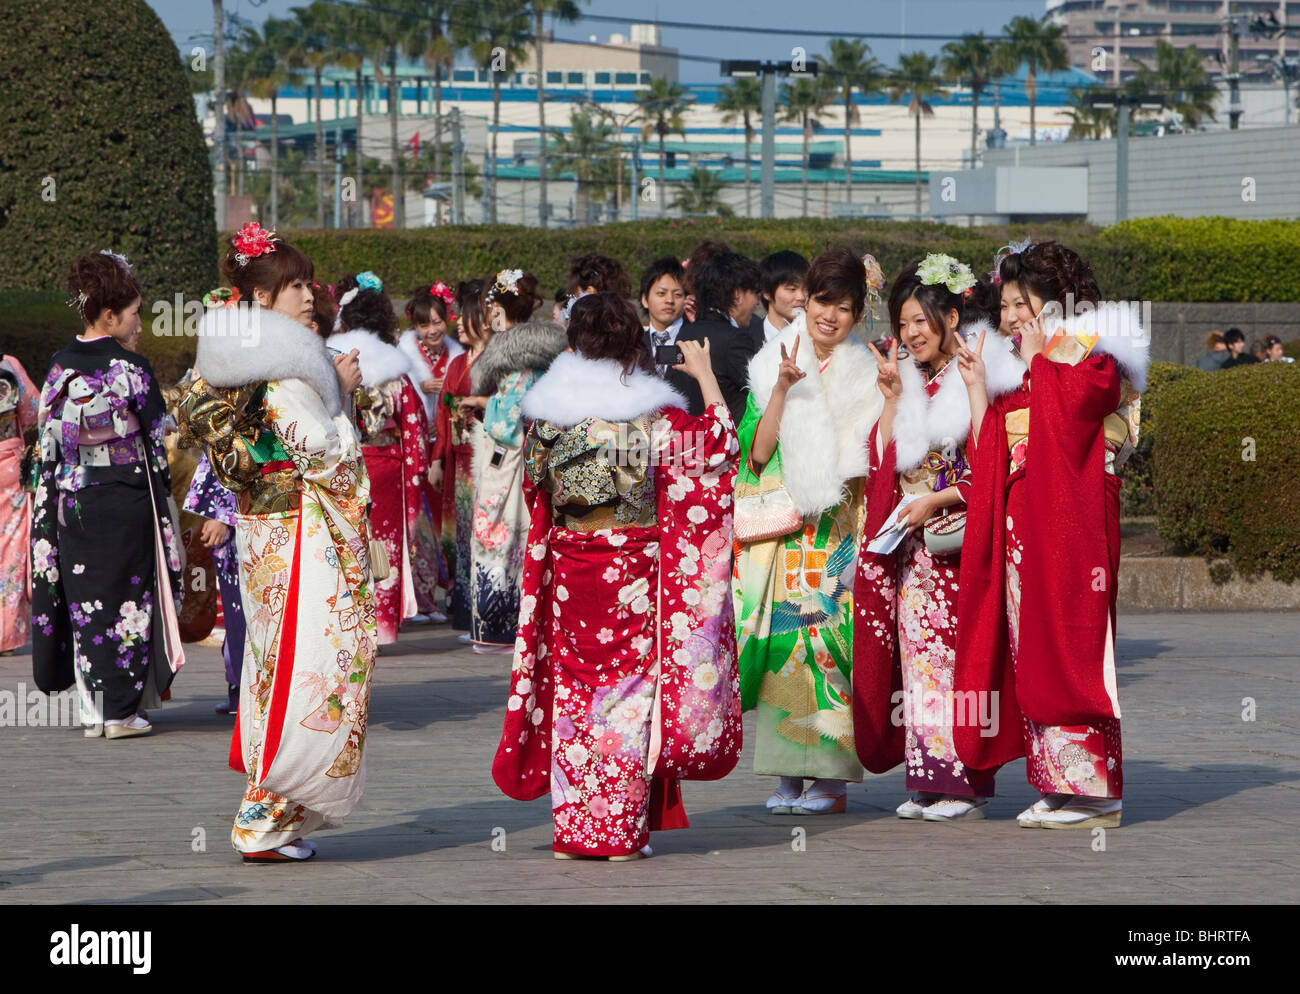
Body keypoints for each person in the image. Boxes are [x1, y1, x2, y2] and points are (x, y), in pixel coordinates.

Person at [492, 293, 741, 859]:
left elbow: (536, 487)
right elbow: (722, 448)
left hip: (569, 568)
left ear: (573, 344)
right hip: (631, 568)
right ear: (634, 344)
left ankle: (574, 832)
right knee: (624, 696)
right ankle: (615, 833)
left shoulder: (549, 411)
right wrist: (704, 376)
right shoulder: (650, 414)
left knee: (575, 694)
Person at [177, 222, 375, 862]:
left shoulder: (224, 367)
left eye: (307, 284)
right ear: (260, 298)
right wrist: (341, 400)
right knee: (307, 664)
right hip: (300, 526)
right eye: (293, 286)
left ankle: (271, 809)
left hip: (261, 528)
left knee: (274, 665)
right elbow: (318, 450)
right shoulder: (284, 369)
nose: (308, 295)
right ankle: (265, 817)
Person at [954, 240, 1148, 830]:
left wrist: (1039, 362)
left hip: (1074, 519)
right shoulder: (1030, 360)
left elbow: (1074, 420)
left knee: (1073, 635)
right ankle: (1057, 782)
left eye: (1020, 302)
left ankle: (1098, 792)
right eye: (1006, 305)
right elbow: (994, 454)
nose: (1010, 316)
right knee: (1031, 641)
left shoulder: (1096, 352)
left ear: (1055, 299)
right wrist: (977, 388)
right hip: (1025, 518)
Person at [734, 247, 883, 815]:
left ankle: (829, 779)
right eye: (823, 301)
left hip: (839, 531)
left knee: (828, 645)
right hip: (788, 530)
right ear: (807, 299)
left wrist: (891, 400)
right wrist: (779, 388)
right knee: (782, 645)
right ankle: (787, 776)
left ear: (857, 313)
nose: (831, 316)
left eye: (845, 308)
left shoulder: (867, 369)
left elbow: (880, 456)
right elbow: (758, 452)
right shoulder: (773, 358)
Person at [853, 255, 997, 822]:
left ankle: (959, 782)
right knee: (918, 664)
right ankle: (927, 780)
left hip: (953, 542)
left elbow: (989, 461)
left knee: (955, 662)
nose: (911, 334)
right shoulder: (910, 377)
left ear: (951, 317)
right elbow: (882, 460)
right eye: (904, 322)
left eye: (921, 321)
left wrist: (938, 500)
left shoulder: (973, 373)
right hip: (912, 547)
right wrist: (890, 397)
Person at [31, 251, 185, 738]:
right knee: (126, 603)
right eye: (136, 314)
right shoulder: (131, 368)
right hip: (124, 498)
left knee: (84, 602)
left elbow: (47, 442)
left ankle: (94, 710)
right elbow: (157, 436)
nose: (141, 323)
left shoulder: (58, 367)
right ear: (110, 315)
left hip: (71, 500)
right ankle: (119, 712)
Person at [467, 269, 567, 651]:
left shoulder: (510, 351)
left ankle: (498, 626)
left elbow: (513, 411)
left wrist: (483, 404)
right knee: (528, 531)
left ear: (497, 309)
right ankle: (528, 621)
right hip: (539, 452)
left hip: (507, 454)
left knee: (495, 532)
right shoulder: (548, 348)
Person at [329, 271, 430, 645]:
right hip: (386, 464)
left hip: (343, 462)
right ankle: (383, 626)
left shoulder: (333, 360)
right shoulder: (394, 367)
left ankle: (348, 620)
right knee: (383, 540)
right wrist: (416, 469)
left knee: (346, 540)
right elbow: (414, 425)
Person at [398, 282, 463, 621]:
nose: (433, 330)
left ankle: (450, 590)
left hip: (447, 441)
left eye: (438, 322)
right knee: (419, 522)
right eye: (425, 325)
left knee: (447, 518)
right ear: (415, 327)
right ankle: (422, 596)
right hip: (417, 446)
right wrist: (419, 386)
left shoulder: (456, 354)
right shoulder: (404, 356)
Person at [430, 280, 490, 632]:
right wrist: (437, 458)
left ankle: (483, 607)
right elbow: (442, 413)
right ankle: (462, 604)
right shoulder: (456, 364)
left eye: (463, 318)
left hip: (482, 452)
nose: (457, 324)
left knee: (480, 528)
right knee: (457, 529)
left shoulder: (495, 360)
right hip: (456, 452)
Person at [666, 250, 765, 425]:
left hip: (686, 440)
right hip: (723, 444)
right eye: (755, 293)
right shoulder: (736, 340)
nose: (757, 301)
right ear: (737, 294)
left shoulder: (684, 333)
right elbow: (761, 395)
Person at [0, 355, 39, 655]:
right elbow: (34, 410)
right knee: (10, 548)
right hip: (7, 466)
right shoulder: (9, 365)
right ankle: (6, 634)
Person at [640, 256, 688, 375]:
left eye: (677, 295)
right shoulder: (634, 344)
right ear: (645, 300)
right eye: (661, 293)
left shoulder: (696, 342)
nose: (669, 300)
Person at [758, 250, 809, 345]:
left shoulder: (818, 339)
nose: (801, 297)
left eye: (806, 289)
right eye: (792, 289)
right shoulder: (744, 339)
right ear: (766, 293)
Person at [568, 253, 632, 300]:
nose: (570, 300)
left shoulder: (582, 317)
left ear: (590, 292)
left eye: (573, 295)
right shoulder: (627, 315)